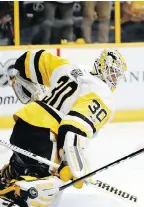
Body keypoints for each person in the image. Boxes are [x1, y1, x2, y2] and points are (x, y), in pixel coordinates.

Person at [0, 48, 127, 207]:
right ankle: (27, 190)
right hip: (46, 134)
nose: (114, 79)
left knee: (23, 165)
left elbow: (30, 59)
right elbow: (72, 129)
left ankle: (12, 174)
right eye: (113, 73)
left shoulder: (70, 68)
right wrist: (76, 169)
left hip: (23, 122)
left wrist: (19, 78)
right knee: (52, 191)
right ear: (102, 67)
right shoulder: (103, 94)